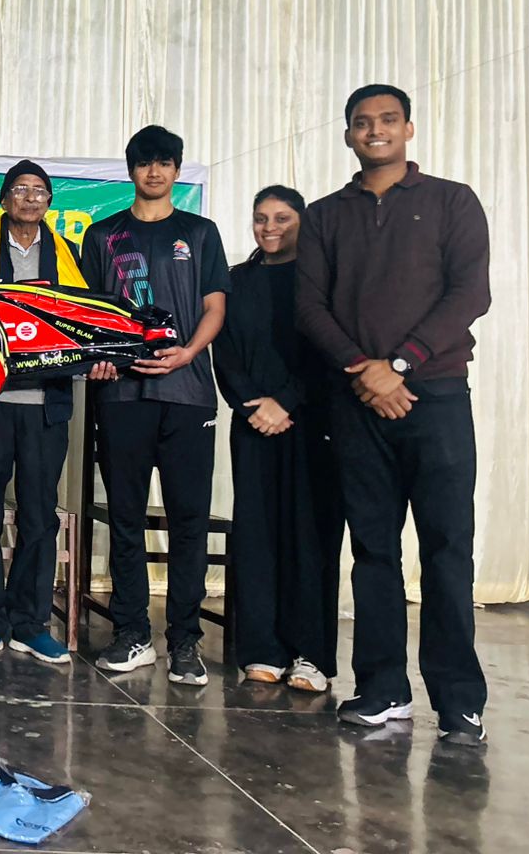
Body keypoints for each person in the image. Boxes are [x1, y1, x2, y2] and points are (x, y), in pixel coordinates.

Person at [296, 84, 491, 746]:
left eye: (387, 119)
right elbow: (310, 308)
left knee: (447, 549)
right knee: (373, 550)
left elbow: (470, 292)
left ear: (408, 128)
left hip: (437, 397)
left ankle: (459, 701)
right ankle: (383, 689)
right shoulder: (325, 215)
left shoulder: (452, 201)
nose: (374, 130)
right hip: (357, 403)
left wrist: (400, 364)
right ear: (348, 135)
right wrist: (364, 370)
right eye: (361, 122)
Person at [82, 125, 230, 687]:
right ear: (131, 170)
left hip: (188, 394)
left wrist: (188, 352)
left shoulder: (200, 232)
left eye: (164, 162)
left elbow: (215, 307)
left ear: (176, 170)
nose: (154, 171)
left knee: (189, 519)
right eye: (145, 163)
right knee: (124, 517)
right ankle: (132, 633)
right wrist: (100, 359)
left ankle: (185, 641)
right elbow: (89, 316)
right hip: (122, 395)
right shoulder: (104, 235)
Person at [0, 159, 85, 666]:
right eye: (21, 190)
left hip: (46, 404)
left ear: (49, 202)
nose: (30, 198)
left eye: (39, 191)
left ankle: (30, 623)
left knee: (39, 515)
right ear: (3, 199)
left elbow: (85, 317)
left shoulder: (67, 253)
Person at [212, 185, 340, 692]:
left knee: (311, 535)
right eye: (261, 218)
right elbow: (224, 352)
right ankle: (261, 649)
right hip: (252, 423)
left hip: (312, 423)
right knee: (257, 534)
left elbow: (327, 351)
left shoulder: (322, 281)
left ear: (302, 223)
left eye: (282, 218)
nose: (270, 228)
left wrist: (286, 401)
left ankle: (311, 654)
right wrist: (252, 404)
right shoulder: (236, 281)